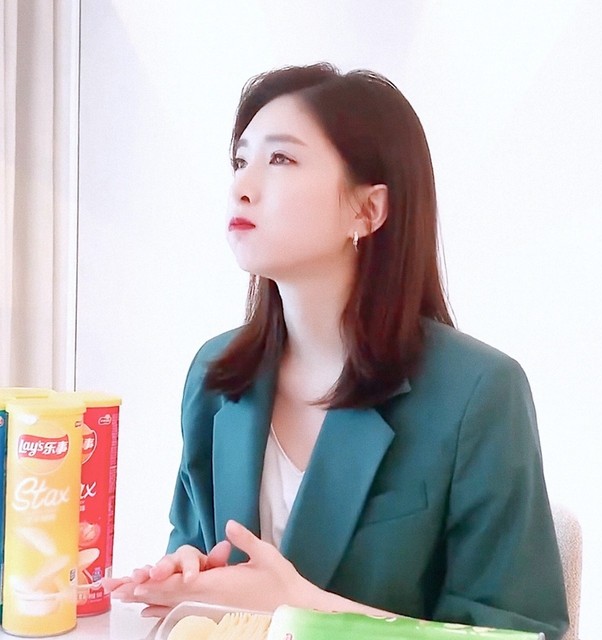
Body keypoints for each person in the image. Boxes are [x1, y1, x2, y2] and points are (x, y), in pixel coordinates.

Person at [105, 63, 569, 639]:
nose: (242, 186)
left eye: (280, 159)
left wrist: (302, 606)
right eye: (240, 161)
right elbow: (200, 560)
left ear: (367, 210)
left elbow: (522, 634)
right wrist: (191, 581)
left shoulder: (478, 392)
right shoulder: (215, 375)